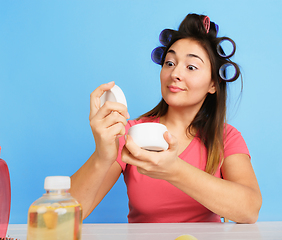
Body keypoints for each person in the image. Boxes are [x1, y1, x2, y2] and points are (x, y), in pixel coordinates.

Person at [70, 13, 262, 223]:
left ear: (213, 84)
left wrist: (174, 170)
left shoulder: (226, 137)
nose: (175, 73)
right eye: (170, 63)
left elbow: (249, 210)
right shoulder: (130, 133)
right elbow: (66, 218)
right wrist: (102, 156)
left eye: (191, 67)